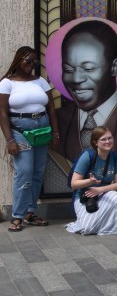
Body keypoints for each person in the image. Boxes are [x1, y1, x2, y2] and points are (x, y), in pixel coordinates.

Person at [54, 20, 117, 171]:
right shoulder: (57, 120)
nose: (76, 79)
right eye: (68, 70)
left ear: (115, 67)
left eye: (88, 68)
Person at [1, 46, 59, 232]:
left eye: (35, 62)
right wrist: (10, 140)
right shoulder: (7, 83)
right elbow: (2, 113)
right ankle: (17, 215)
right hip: (20, 131)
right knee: (24, 172)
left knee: (37, 172)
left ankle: (30, 213)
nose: (31, 64)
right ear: (19, 60)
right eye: (28, 60)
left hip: (41, 130)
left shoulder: (40, 81)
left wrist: (55, 133)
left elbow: (51, 109)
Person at [65, 126, 117, 235]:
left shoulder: (115, 157)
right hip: (85, 197)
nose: (108, 141)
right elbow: (74, 184)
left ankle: (107, 228)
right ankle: (91, 223)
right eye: (103, 139)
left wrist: (99, 190)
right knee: (86, 229)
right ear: (95, 142)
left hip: (103, 194)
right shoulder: (88, 156)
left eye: (110, 138)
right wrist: (90, 181)